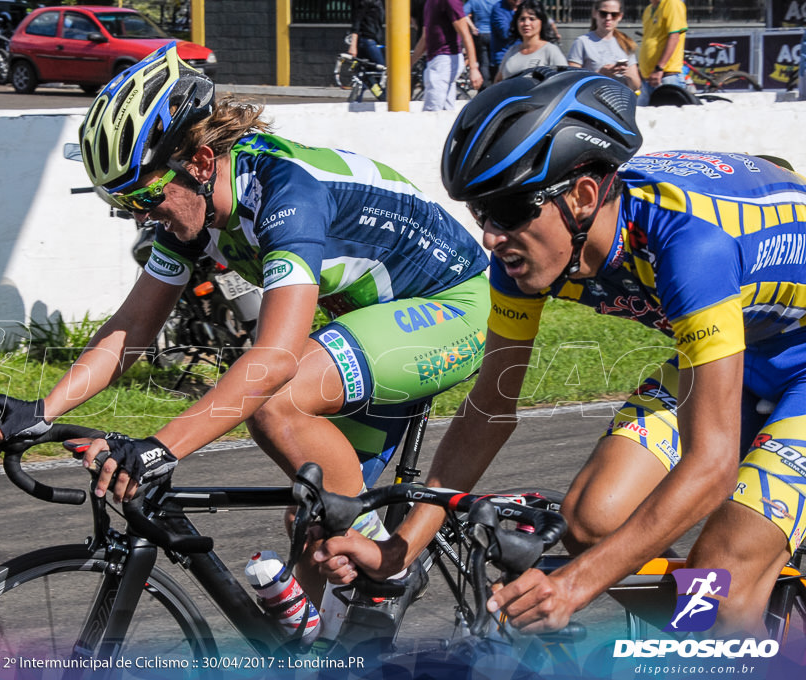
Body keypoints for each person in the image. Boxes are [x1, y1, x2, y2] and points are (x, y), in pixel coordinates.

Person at [0, 43, 491, 602]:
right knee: (312, 531)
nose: (142, 216)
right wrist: (40, 411)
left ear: (196, 163)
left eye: (145, 196)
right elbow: (131, 329)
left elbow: (274, 360)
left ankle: (391, 568)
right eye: (123, 205)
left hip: (453, 307)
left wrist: (160, 448)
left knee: (276, 400)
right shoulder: (190, 207)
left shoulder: (285, 192)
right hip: (375, 323)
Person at [314, 66, 806, 636]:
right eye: (480, 213)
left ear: (583, 195)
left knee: (718, 582)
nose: (490, 238)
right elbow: (489, 410)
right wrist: (400, 552)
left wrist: (573, 586)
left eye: (506, 210)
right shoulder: (523, 259)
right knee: (594, 521)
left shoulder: (690, 245)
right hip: (744, 347)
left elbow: (712, 466)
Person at [412, 0, 485, 110]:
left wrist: (473, 68)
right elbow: (425, 37)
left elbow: (466, 35)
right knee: (445, 110)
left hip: (444, 61)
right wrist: (410, 63)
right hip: (438, 61)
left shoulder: (450, 1)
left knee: (432, 111)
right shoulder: (429, 3)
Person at [567, 0, 641, 91]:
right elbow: (572, 81)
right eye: (603, 13)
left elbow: (636, 86)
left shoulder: (626, 43)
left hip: (620, 99)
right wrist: (600, 74)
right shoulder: (582, 42)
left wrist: (628, 74)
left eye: (614, 15)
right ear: (595, 13)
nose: (608, 18)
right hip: (592, 99)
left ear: (620, 16)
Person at [493, 0, 567, 82]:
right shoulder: (511, 52)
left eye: (532, 19)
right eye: (522, 19)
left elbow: (564, 81)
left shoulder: (550, 51)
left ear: (541, 22)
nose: (526, 23)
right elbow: (497, 82)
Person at [638, 0, 687, 106]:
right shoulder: (648, 10)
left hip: (666, 78)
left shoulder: (673, 3)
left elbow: (674, 37)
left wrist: (659, 68)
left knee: (669, 120)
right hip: (648, 80)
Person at [465, 0, 497, 87]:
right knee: (495, 61)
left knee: (483, 63)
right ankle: (495, 83)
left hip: (480, 34)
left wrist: (472, 27)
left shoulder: (474, 1)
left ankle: (485, 86)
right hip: (494, 35)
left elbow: (463, 14)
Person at [489, 0, 521, 79]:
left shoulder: (526, 5)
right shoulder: (499, 8)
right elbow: (505, 33)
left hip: (524, 57)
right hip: (504, 59)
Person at [349, 0, 385, 66]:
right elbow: (357, 22)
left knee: (370, 70)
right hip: (367, 40)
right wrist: (353, 45)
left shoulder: (380, 2)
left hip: (372, 40)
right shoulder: (367, 2)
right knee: (381, 70)